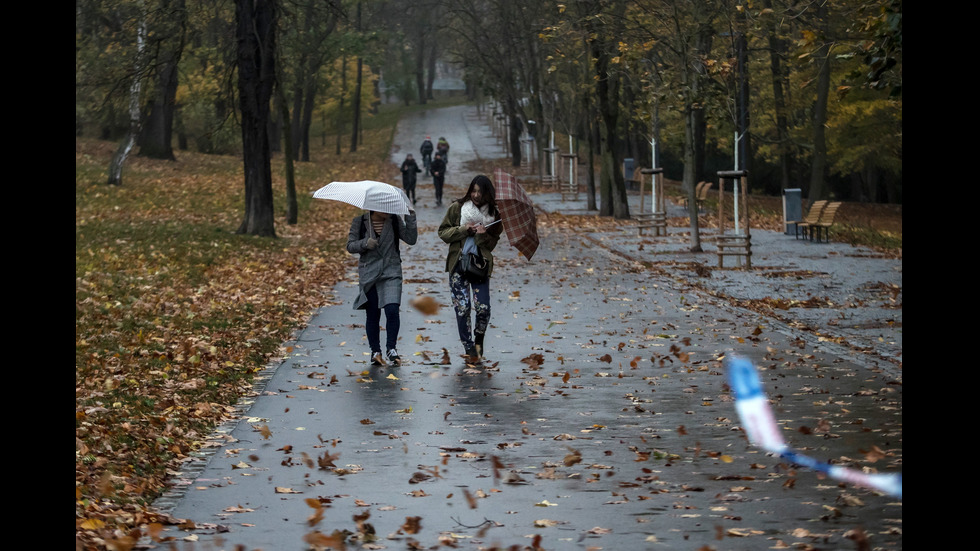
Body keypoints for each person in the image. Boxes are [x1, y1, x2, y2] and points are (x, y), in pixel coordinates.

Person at [438, 175, 503, 364]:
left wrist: (483, 236)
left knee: (483, 308)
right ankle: (469, 347)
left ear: (487, 194)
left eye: (480, 192)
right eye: (473, 191)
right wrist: (463, 230)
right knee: (463, 308)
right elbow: (442, 232)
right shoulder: (457, 208)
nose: (476, 195)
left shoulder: (495, 216)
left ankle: (479, 340)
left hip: (480, 266)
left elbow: (492, 245)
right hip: (458, 265)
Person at [347, 208, 418, 366]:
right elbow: (350, 246)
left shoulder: (394, 220)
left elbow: (411, 239)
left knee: (392, 309)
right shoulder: (360, 222)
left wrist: (410, 219)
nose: (387, 209)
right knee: (372, 314)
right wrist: (365, 243)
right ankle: (375, 351)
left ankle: (391, 348)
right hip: (369, 274)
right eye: (383, 206)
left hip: (391, 271)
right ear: (374, 206)